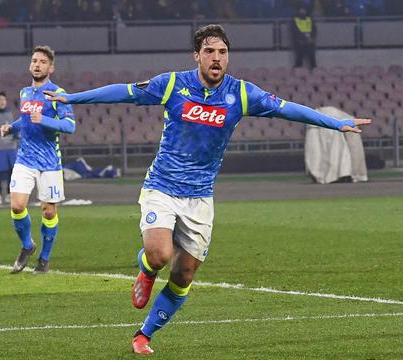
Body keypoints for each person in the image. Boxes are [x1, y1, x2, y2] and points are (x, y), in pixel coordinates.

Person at [45, 24, 370, 355]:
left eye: (223, 52)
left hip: (200, 196)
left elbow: (287, 109)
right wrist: (72, 97)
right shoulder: (172, 84)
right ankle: (146, 268)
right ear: (197, 55)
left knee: (184, 275)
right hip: (163, 186)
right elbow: (125, 92)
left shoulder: (241, 93)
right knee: (160, 254)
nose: (217, 58)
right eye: (210, 51)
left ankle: (144, 335)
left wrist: (334, 123)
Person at [0, 45, 76, 273]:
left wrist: (44, 119)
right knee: (16, 205)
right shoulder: (25, 93)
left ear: (51, 67)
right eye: (34, 61)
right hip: (25, 159)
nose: (37, 65)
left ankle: (44, 257)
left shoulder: (57, 94)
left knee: (49, 212)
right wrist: (10, 128)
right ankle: (27, 245)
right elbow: (25, 121)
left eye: (42, 62)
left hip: (50, 162)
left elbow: (69, 126)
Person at [291, 4, 317, 69]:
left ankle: (314, 74)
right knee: (299, 60)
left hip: (310, 42)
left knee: (312, 60)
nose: (303, 11)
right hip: (300, 43)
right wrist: (301, 40)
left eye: (304, 9)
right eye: (301, 9)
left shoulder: (310, 19)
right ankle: (297, 74)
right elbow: (294, 32)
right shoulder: (295, 20)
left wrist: (312, 38)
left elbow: (314, 30)